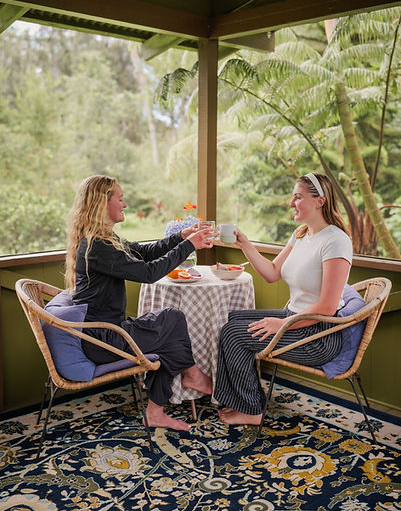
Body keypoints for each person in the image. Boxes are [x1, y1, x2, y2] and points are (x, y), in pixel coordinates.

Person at [65, 174, 214, 431]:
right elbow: (148, 273)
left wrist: (180, 236)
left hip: (107, 332)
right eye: (120, 199)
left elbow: (143, 254)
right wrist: (189, 245)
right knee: (172, 323)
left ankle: (165, 402)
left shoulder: (103, 239)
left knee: (172, 324)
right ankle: (190, 376)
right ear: (103, 203)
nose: (125, 204)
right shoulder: (98, 246)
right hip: (101, 339)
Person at [214, 172, 353, 426]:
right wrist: (244, 243)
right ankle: (238, 398)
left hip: (319, 334)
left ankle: (252, 410)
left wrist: (282, 325)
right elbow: (272, 273)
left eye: (298, 197)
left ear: (320, 201)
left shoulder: (336, 241)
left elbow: (328, 306)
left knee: (234, 334)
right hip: (295, 319)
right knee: (232, 320)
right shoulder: (301, 234)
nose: (291, 203)